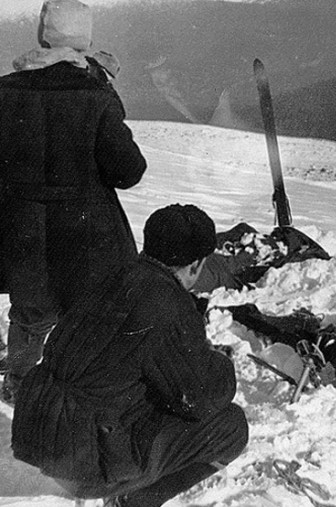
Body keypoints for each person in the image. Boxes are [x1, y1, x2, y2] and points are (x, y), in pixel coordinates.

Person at [11, 204, 249, 507]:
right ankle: (135, 501)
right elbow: (200, 398)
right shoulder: (166, 302)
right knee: (230, 427)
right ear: (195, 265)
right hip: (84, 466)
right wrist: (220, 363)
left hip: (38, 434)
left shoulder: (111, 274)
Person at [0, 0, 147, 403]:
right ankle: (78, 389)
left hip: (22, 230)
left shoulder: (3, 92)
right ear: (86, 40)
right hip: (86, 233)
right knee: (85, 314)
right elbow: (128, 171)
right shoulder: (96, 94)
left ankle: (20, 386)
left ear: (41, 35)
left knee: (30, 312)